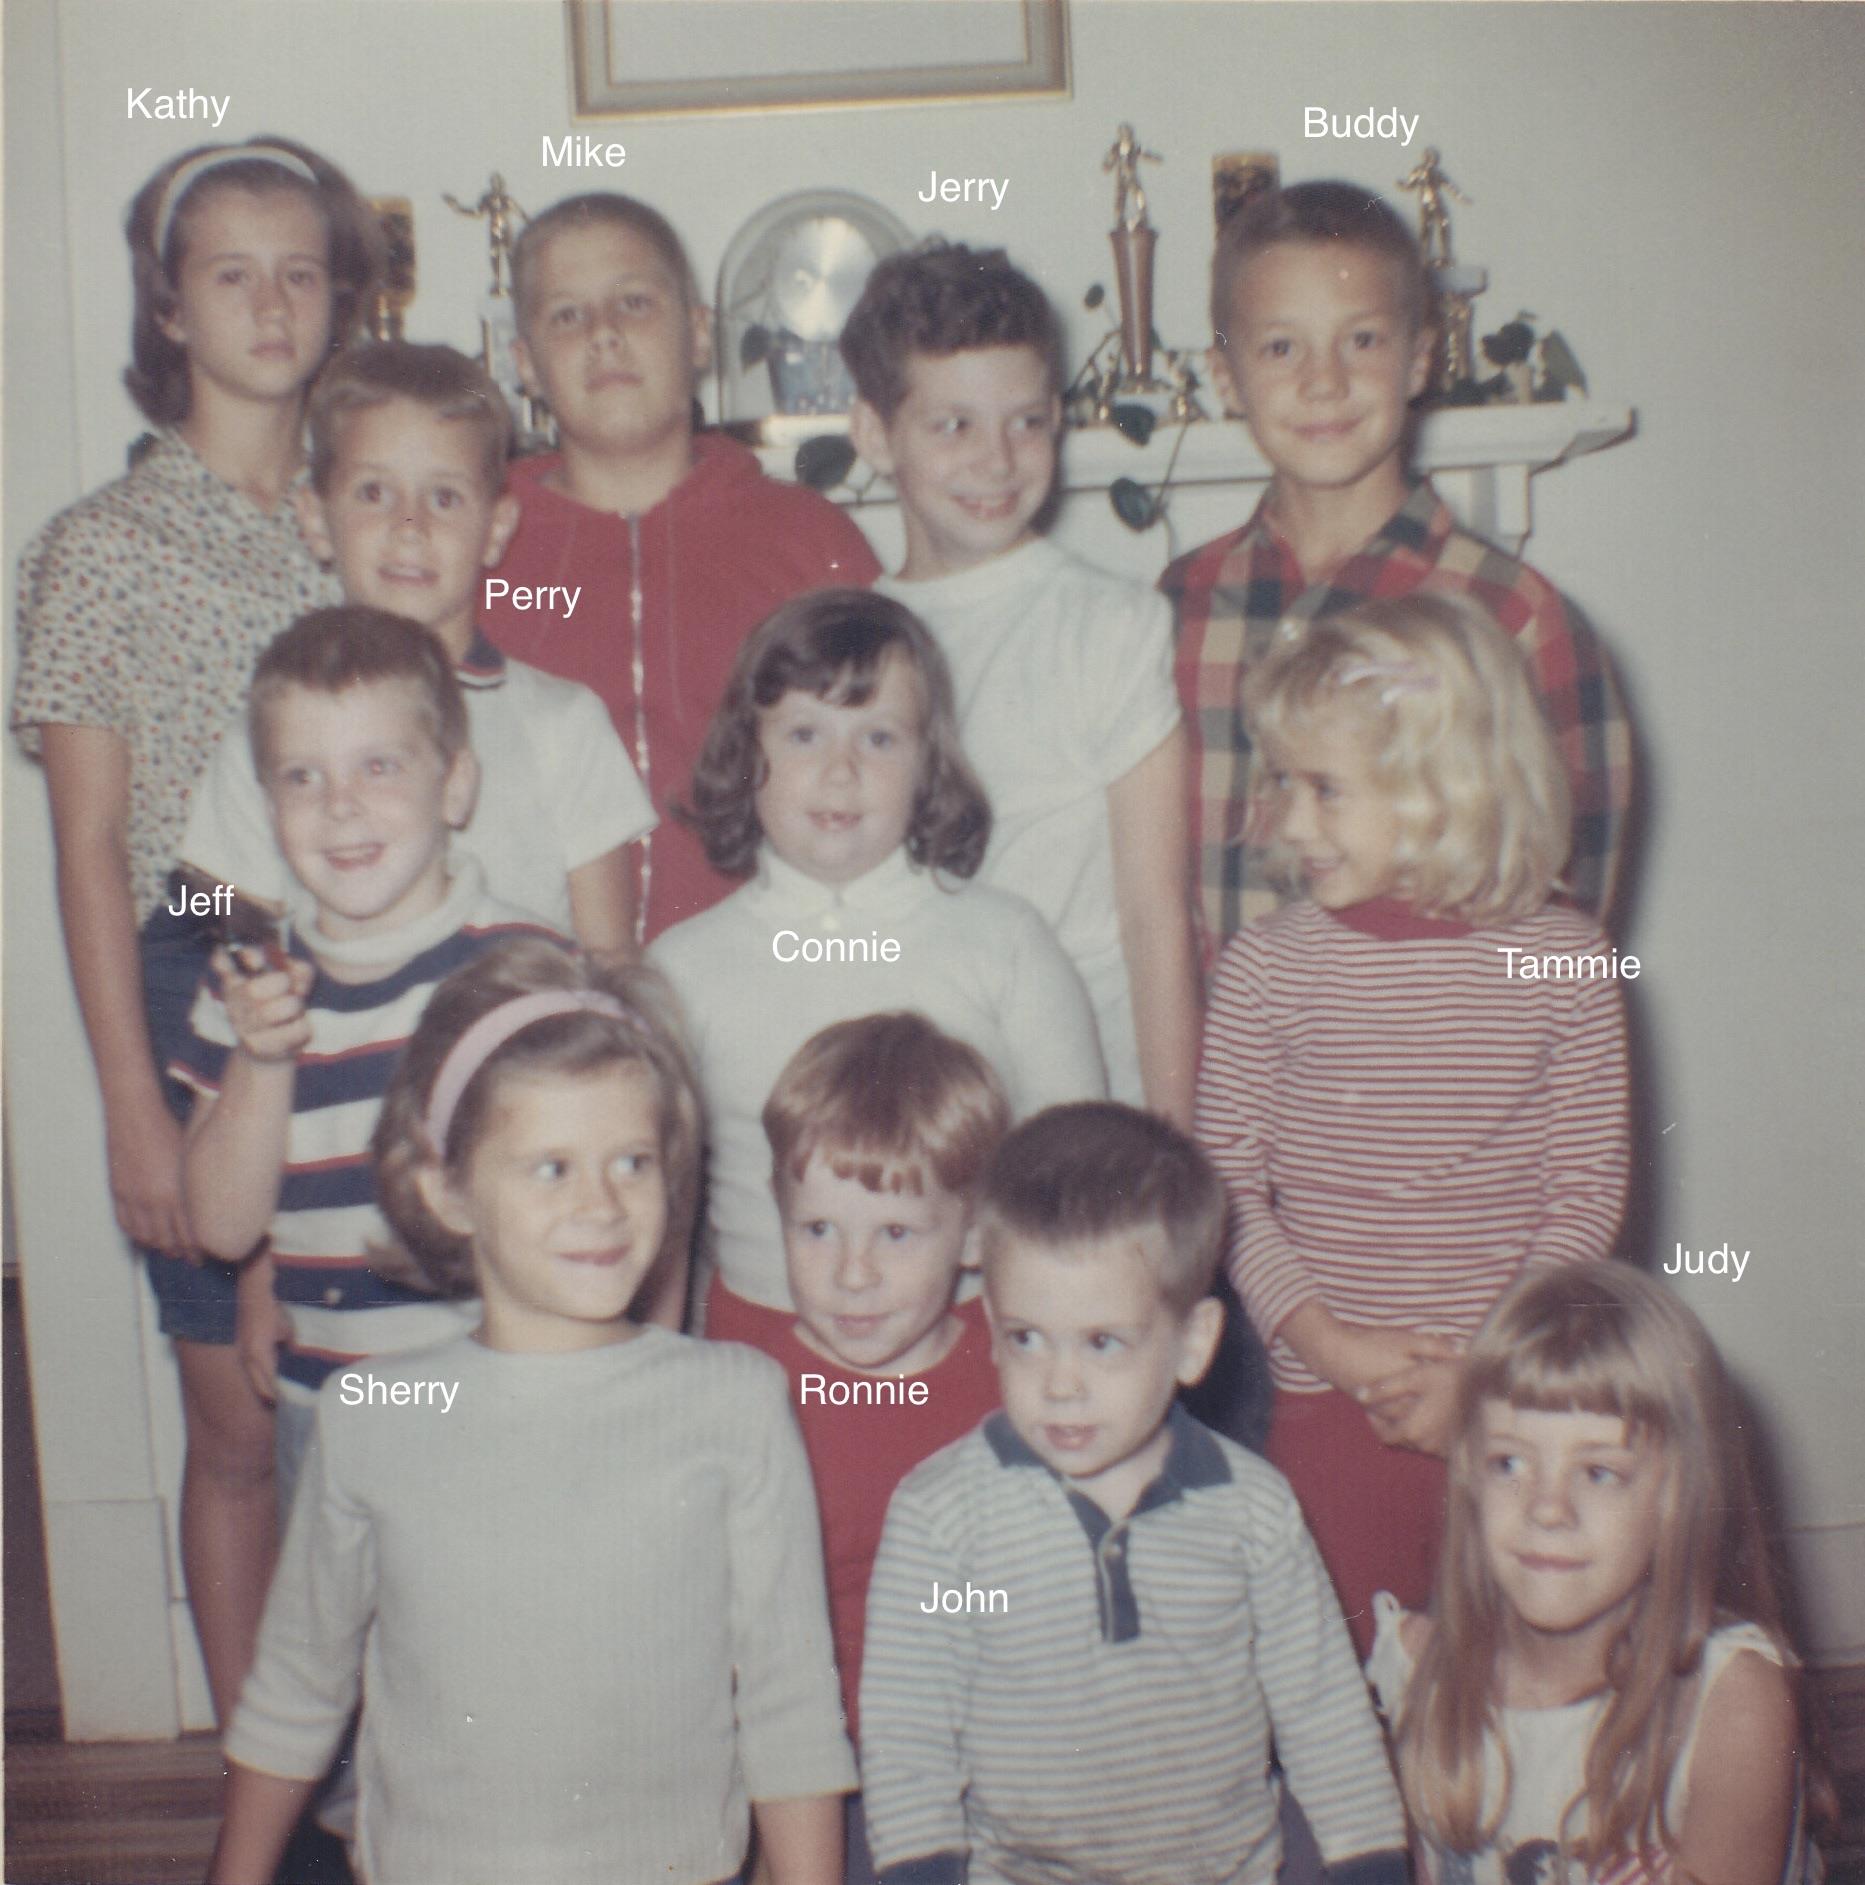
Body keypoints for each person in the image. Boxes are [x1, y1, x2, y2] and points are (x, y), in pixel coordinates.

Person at [207, 939, 853, 1885]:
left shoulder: (733, 1402)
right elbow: (296, 1688)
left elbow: (791, 1706)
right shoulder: (375, 1411)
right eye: (550, 1167)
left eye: (631, 1161)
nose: (601, 1204)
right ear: (448, 1190)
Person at [9, 135, 379, 1725]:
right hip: (204, 968)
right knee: (238, 1417)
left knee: (374, 1406)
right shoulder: (99, 546)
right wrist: (134, 1114)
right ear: (171, 303)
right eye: (230, 270)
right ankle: (267, 1789)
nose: (271, 301)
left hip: (382, 961)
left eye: (301, 268)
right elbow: (92, 852)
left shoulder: (365, 517)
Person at [1195, 594, 1631, 1653]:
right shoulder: (1265, 968)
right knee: (1334, 1670)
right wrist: (1331, 1346)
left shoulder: (1564, 964)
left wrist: (1482, 1376)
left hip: (1514, 1407)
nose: (1289, 823)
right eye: (1282, 784)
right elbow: (1225, 1191)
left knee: (1517, 1665)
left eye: (1325, 789)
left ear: (1443, 790)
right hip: (1317, 1397)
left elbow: (1585, 1192)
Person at [860, 1102, 1406, 1885]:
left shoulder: (1253, 1511)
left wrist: (1369, 1861)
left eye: (1102, 1342)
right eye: (1025, 1337)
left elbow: (1321, 1705)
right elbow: (908, 1728)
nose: (1059, 1384)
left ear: (1192, 1342)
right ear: (988, 1320)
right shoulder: (942, 1516)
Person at [1162, 179, 1631, 955]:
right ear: (1224, 377)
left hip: (1435, 1073)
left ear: (1419, 359)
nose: (1324, 381)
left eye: (1363, 340)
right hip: (1223, 1073)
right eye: (1281, 346)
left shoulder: (1514, 615)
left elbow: (1568, 927)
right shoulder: (1176, 605)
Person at [172, 608, 561, 1532]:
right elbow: (222, 1229)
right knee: (355, 1669)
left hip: (510, 1405)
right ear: (268, 807)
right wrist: (264, 1062)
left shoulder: (526, 971)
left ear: (454, 785)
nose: (339, 804)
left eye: (378, 765)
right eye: (302, 776)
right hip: (331, 1413)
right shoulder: (246, 987)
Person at [651, 587, 1104, 1343]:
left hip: (970, 1345)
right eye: (803, 734)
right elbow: (658, 1214)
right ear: (745, 750)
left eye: (879, 739)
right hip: (756, 1349)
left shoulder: (1006, 943)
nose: (840, 770)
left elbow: (1075, 1184)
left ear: (929, 760)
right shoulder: (682, 969)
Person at [843, 242, 1198, 1120]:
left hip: (1085, 1097)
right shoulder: (846, 640)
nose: (997, 460)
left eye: (1026, 421)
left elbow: (1155, 918)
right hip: (917, 1099)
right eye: (952, 424)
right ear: (874, 435)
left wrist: (1173, 1145)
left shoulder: (1111, 624)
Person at [483, 191, 881, 943]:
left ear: (698, 335)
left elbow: (890, 771)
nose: (603, 334)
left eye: (634, 302)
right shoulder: (477, 543)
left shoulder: (807, 539)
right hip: (529, 992)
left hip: (769, 974)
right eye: (567, 315)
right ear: (524, 364)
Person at [181, 340, 653, 952]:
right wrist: (227, 954)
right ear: (317, 520)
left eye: (444, 497)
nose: (411, 527)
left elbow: (609, 959)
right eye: (375, 494)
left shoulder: (564, 725)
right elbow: (205, 908)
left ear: (497, 528)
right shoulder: (268, 736)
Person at [1369, 1263, 1830, 1885]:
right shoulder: (1417, 1666)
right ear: (1470, 1480)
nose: (1547, 1508)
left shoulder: (1733, 1704)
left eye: (1598, 1472)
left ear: (1677, 1502)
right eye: (1509, 1463)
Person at [759, 1014, 1008, 1880]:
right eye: (817, 1229)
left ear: (975, 1233)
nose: (852, 1273)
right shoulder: (746, 1389)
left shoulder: (1016, 1366)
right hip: (816, 1783)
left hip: (996, 1759)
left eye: (895, 1233)